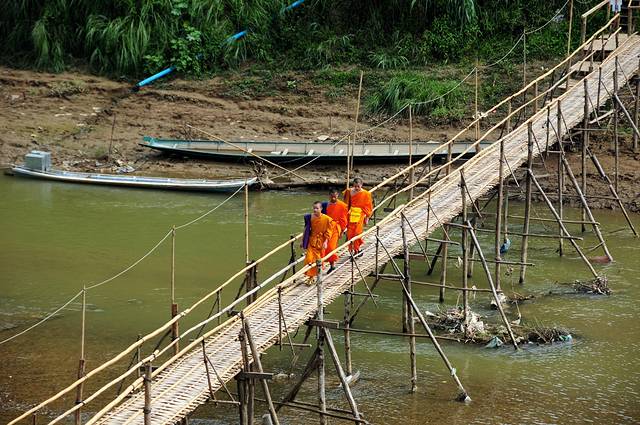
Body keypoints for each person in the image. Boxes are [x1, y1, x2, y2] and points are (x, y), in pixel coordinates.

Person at [301, 201, 335, 284]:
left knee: (318, 260)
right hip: (311, 241)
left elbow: (329, 231)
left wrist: (326, 242)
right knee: (309, 259)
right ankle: (311, 277)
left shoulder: (327, 219)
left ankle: (313, 277)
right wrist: (302, 241)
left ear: (321, 209)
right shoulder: (310, 217)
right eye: (314, 208)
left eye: (317, 208)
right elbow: (306, 230)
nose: (315, 210)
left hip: (321, 242)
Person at [342, 177, 373, 255]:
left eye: (358, 186)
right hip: (351, 214)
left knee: (357, 232)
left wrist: (367, 217)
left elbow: (368, 206)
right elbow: (346, 204)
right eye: (355, 186)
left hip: (360, 214)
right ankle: (351, 250)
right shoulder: (349, 191)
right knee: (350, 233)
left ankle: (357, 249)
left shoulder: (366, 194)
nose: (356, 188)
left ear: (361, 185)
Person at [323, 188, 348, 273]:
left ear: (337, 195)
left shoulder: (342, 205)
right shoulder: (325, 205)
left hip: (336, 228)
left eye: (335, 196)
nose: (333, 198)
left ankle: (332, 265)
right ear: (329, 196)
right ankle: (329, 265)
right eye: (332, 196)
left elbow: (344, 219)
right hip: (327, 228)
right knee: (324, 248)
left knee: (331, 247)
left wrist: (342, 230)